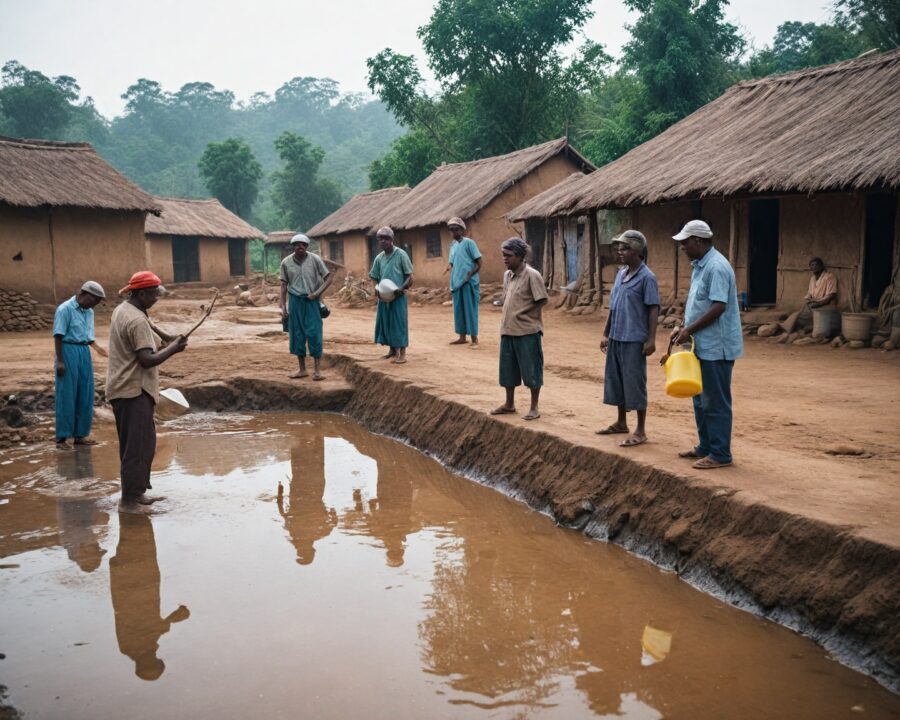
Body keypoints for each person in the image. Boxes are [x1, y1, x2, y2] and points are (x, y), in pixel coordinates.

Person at [665, 220, 743, 469]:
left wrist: (689, 330)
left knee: (715, 401)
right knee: (699, 397)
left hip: (716, 346)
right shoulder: (700, 266)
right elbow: (697, 304)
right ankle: (706, 446)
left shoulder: (716, 267)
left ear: (698, 241)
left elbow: (719, 307)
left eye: (685, 242)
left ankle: (720, 454)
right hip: (701, 345)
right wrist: (682, 325)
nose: (682, 247)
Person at [106, 271, 188, 505]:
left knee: (136, 444)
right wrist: (173, 349)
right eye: (153, 294)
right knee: (139, 446)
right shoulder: (136, 320)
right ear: (141, 294)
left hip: (123, 388)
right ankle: (131, 499)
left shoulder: (124, 309)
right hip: (134, 389)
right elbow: (147, 359)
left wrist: (169, 340)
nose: (156, 299)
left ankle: (136, 492)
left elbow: (150, 334)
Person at [598, 231, 660, 447]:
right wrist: (606, 333)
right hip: (617, 335)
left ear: (636, 251)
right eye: (619, 248)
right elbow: (613, 306)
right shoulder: (621, 274)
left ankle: (640, 430)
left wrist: (651, 339)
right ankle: (621, 422)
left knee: (635, 382)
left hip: (634, 338)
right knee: (616, 380)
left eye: (624, 248)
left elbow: (653, 308)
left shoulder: (647, 277)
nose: (619, 252)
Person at [490, 237, 548, 421]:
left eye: (509, 255)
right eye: (503, 255)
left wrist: (524, 313)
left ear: (520, 256)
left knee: (531, 371)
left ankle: (534, 407)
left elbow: (542, 299)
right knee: (508, 370)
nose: (505, 259)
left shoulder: (532, 275)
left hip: (527, 331)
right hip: (508, 330)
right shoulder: (507, 275)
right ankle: (509, 404)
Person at [53, 281, 107, 448]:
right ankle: (62, 438)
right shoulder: (65, 309)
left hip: (84, 352)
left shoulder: (89, 312)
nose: (94, 304)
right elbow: (58, 335)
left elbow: (89, 337)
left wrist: (100, 350)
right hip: (67, 350)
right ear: (83, 294)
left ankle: (80, 436)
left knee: (85, 393)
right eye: (93, 300)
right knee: (67, 394)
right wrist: (60, 360)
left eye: (97, 302)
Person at [279, 233, 334, 380]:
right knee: (297, 334)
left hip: (312, 301)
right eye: (297, 244)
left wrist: (317, 293)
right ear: (293, 247)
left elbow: (328, 278)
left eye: (303, 244)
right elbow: (283, 285)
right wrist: (283, 307)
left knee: (314, 333)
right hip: (295, 301)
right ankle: (302, 369)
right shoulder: (286, 262)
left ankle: (317, 371)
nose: (300, 247)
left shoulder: (315, 259)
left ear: (307, 246)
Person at [369, 226, 413, 364]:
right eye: (380, 239)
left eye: (386, 238)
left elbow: (409, 276)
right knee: (387, 322)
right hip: (384, 296)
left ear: (392, 239)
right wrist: (377, 288)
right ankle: (392, 350)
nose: (383, 241)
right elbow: (374, 277)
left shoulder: (401, 254)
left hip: (398, 295)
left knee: (399, 323)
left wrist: (402, 287)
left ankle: (402, 353)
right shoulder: (379, 258)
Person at [445, 217, 482, 346]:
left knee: (469, 309)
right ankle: (462, 337)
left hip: (468, 282)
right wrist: (449, 266)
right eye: (451, 230)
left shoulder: (469, 243)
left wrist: (470, 274)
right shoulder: (453, 245)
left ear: (462, 230)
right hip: (456, 282)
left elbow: (479, 262)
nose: (453, 232)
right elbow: (452, 261)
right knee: (459, 310)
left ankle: (474, 338)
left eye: (456, 229)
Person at [780, 257, 839, 333]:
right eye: (812, 265)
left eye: (816, 265)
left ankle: (789, 326)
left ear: (821, 266)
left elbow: (831, 295)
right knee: (798, 314)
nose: (814, 267)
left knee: (800, 317)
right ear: (810, 268)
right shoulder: (812, 278)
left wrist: (819, 303)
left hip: (825, 305)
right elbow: (810, 293)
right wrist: (808, 300)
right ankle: (788, 325)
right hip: (813, 304)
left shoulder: (829, 276)